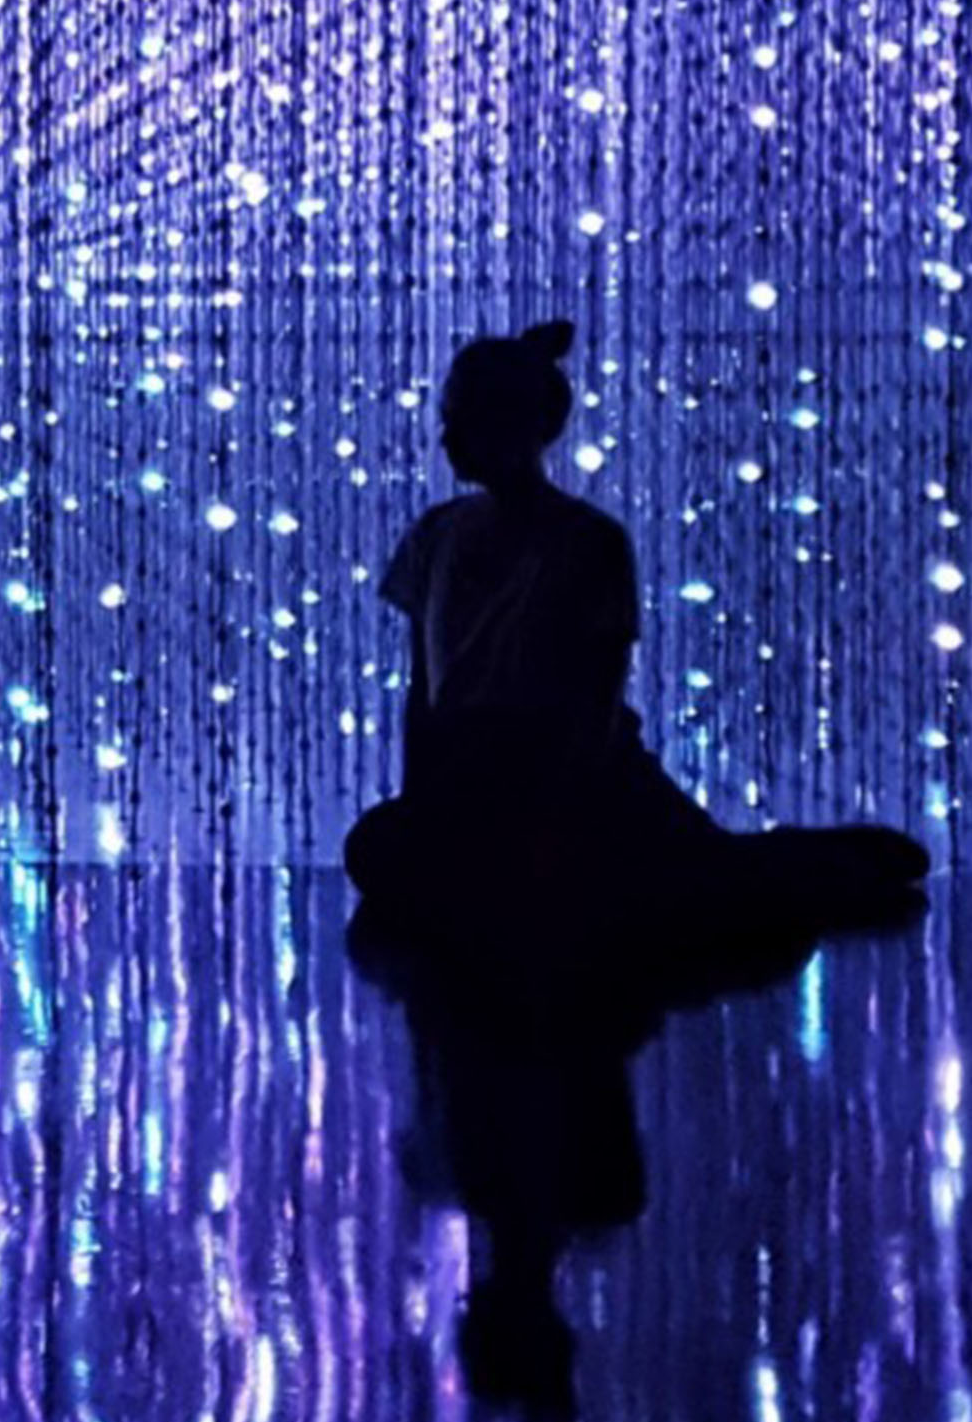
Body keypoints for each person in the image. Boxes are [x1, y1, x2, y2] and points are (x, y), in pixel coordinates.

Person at [345, 319, 924, 984]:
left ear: (519, 426)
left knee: (706, 896)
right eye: (447, 419)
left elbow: (595, 697)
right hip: (475, 779)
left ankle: (835, 860)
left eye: (462, 419)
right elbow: (424, 689)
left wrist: (554, 810)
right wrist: (429, 800)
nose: (445, 437)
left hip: (580, 781)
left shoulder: (588, 541)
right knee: (382, 853)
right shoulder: (436, 533)